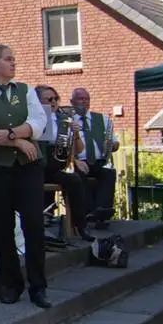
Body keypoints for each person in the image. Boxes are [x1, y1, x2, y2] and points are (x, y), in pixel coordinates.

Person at [0, 44, 50, 308]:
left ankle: (38, 286)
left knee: (34, 223)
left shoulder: (25, 90)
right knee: (2, 227)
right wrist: (18, 141)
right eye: (8, 59)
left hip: (28, 166)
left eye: (13, 59)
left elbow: (38, 123)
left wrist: (11, 134)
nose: (14, 63)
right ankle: (10, 283)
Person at [34, 85, 93, 243]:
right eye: (49, 99)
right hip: (38, 164)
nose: (53, 102)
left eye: (55, 99)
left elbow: (79, 149)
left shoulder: (62, 118)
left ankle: (80, 226)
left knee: (76, 180)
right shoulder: (34, 118)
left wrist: (75, 133)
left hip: (56, 164)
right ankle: (42, 220)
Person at [69, 88, 118, 228]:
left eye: (87, 99)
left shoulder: (102, 119)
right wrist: (74, 160)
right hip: (78, 161)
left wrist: (112, 145)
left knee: (109, 173)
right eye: (80, 99)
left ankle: (102, 212)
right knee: (79, 175)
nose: (84, 102)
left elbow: (115, 143)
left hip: (98, 161)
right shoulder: (67, 120)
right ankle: (89, 213)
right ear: (72, 102)